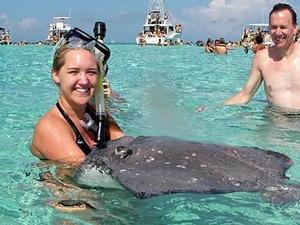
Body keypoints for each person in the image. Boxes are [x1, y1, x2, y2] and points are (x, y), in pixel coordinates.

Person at [31, 28, 124, 164]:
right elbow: (87, 177)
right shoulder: (50, 128)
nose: (84, 81)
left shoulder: (96, 111)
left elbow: (129, 145)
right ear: (56, 75)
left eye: (91, 72)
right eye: (74, 72)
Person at [224, 3, 300, 112]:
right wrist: (212, 109)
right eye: (274, 27)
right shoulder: (262, 58)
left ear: (294, 28)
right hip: (274, 123)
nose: (278, 33)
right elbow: (245, 95)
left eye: (283, 27)